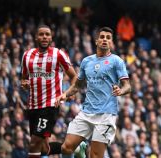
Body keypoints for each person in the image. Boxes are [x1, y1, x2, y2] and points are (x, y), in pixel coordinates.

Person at [47, 27, 131, 158]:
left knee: (95, 156)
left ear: (111, 42)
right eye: (102, 37)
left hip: (106, 115)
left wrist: (121, 90)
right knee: (66, 148)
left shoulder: (116, 61)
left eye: (108, 38)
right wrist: (65, 94)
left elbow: (128, 86)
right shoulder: (87, 61)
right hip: (86, 112)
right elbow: (78, 85)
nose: (105, 40)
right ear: (97, 41)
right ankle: (79, 150)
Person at [21, 25, 78, 158]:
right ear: (36, 37)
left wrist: (67, 93)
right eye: (41, 34)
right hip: (33, 106)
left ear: (51, 37)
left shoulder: (58, 54)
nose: (44, 37)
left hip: (50, 106)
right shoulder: (27, 55)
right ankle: (74, 147)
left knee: (34, 142)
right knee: (43, 148)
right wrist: (24, 84)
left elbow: (75, 77)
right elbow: (24, 79)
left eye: (47, 34)